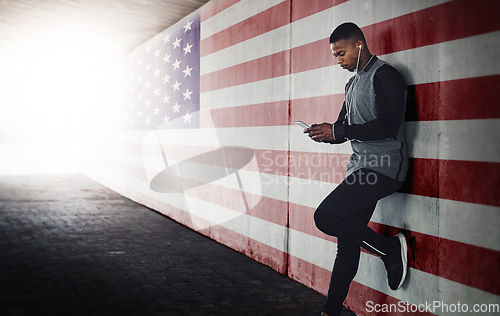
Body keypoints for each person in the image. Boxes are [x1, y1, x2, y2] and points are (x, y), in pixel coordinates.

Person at [304, 22, 409, 316]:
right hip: (360, 168)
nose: (338, 61)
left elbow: (389, 126)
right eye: (335, 55)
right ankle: (331, 311)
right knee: (348, 243)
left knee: (324, 217)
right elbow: (346, 129)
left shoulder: (385, 75)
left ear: (359, 45)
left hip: (384, 168)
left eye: (341, 53)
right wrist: (327, 134)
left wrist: (341, 131)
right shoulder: (352, 84)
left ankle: (388, 249)